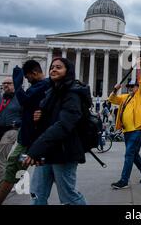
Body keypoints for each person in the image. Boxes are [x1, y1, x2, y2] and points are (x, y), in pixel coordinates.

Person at [22, 57, 88, 205]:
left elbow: (64, 124)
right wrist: (39, 117)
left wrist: (36, 149)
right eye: (52, 67)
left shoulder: (73, 93)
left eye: (59, 67)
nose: (53, 69)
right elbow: (51, 120)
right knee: (37, 194)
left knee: (69, 197)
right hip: (46, 151)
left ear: (68, 71)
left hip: (64, 151)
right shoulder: (51, 92)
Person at [0, 60, 50, 205]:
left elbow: (26, 102)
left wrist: (18, 86)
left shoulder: (43, 85)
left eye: (27, 77)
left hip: (30, 139)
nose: (27, 80)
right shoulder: (40, 86)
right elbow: (30, 109)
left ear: (35, 73)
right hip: (29, 135)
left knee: (13, 166)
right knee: (38, 178)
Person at [108, 58, 141, 189]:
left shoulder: (140, 95)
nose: (132, 88)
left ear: (137, 87)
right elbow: (112, 99)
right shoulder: (124, 97)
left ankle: (124, 180)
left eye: (134, 86)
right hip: (127, 131)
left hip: (138, 129)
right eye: (130, 86)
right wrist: (115, 90)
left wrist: (140, 66)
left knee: (129, 154)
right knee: (133, 154)